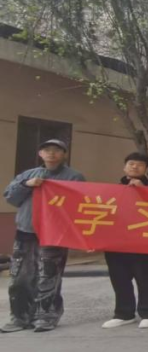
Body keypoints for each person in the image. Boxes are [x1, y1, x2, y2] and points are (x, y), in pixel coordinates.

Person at [1, 139, 85, 333]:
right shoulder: (28, 175)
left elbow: (79, 204)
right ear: (40, 154)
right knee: (19, 278)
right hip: (25, 231)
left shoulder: (74, 177)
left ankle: (46, 316)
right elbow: (11, 198)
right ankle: (19, 317)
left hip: (54, 234)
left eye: (56, 150)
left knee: (48, 276)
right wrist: (26, 185)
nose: (51, 153)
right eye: (47, 150)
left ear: (64, 154)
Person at [102, 152, 148, 329]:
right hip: (116, 241)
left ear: (146, 169)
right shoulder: (112, 190)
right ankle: (124, 313)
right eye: (131, 163)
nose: (135, 167)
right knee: (119, 278)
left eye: (140, 164)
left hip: (142, 241)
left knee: (145, 277)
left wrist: (143, 190)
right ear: (124, 167)